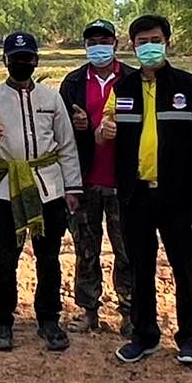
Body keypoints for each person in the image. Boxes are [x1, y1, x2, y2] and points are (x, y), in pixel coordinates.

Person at [104, 14, 192, 366]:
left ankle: (189, 338)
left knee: (184, 267)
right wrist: (102, 131)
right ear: (133, 46)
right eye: (142, 42)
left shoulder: (190, 85)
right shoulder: (121, 88)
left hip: (180, 195)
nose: (148, 47)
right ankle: (144, 336)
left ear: (167, 42)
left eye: (155, 40)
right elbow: (104, 129)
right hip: (135, 195)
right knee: (140, 266)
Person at [0, 32, 82, 352]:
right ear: (5, 61)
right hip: (7, 191)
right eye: (15, 58)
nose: (22, 63)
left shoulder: (51, 98)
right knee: (4, 258)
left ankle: (49, 319)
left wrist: (72, 187)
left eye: (27, 58)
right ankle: (1, 323)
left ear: (36, 60)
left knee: (49, 257)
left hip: (49, 188)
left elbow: (66, 145)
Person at [58, 20, 135, 334]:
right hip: (86, 179)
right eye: (92, 42)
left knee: (126, 249)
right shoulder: (74, 82)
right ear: (85, 46)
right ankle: (89, 310)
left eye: (104, 40)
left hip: (124, 180)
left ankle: (129, 313)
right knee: (86, 249)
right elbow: (61, 133)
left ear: (115, 43)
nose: (98, 47)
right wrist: (80, 128)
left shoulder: (132, 79)